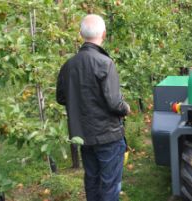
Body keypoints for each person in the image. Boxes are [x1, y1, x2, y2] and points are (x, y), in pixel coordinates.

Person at [56, 14, 130, 201]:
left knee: (92, 179)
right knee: (110, 184)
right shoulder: (105, 63)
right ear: (104, 34)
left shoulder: (68, 65)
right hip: (108, 135)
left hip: (83, 135)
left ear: (81, 34)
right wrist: (126, 108)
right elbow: (114, 103)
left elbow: (61, 98)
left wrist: (80, 102)